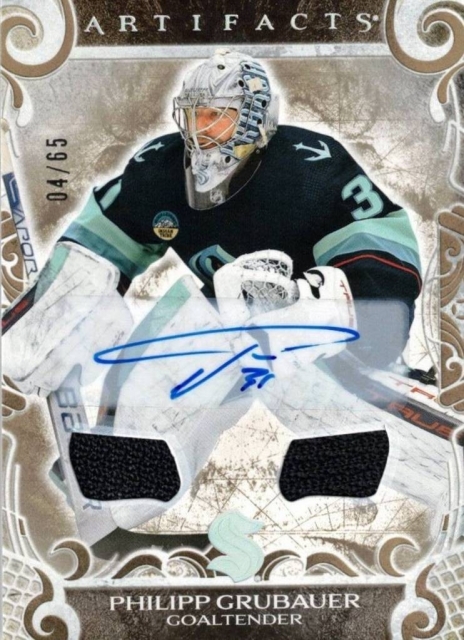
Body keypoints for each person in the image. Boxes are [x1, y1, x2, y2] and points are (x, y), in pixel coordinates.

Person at [2, 50, 428, 533]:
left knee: (362, 425)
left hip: (318, 340)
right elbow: (98, 245)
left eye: (217, 117)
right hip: (226, 330)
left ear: (254, 120)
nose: (200, 130)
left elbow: (384, 258)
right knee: (175, 344)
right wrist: (60, 303)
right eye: (195, 115)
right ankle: (115, 493)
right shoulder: (159, 169)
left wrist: (325, 305)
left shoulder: (311, 165)